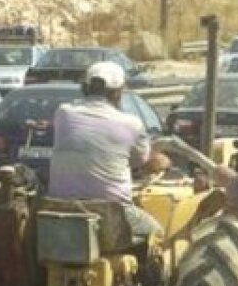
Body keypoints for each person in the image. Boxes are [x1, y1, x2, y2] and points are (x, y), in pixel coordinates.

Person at [48, 61, 170, 238]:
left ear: (85, 88)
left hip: (62, 208)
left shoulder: (63, 113)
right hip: (112, 212)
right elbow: (140, 161)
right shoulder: (131, 123)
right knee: (158, 233)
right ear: (117, 93)